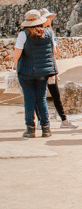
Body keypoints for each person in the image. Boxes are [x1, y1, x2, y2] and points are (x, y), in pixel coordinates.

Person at [12, 10, 57, 138]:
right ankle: (46, 129)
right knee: (41, 98)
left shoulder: (23, 34)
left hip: (26, 72)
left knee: (29, 98)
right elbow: (53, 51)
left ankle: (30, 129)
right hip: (43, 72)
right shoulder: (48, 33)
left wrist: (15, 62)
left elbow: (17, 54)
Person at [38, 8, 77, 129]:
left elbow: (56, 52)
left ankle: (59, 119)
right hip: (44, 67)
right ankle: (47, 120)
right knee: (46, 95)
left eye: (50, 18)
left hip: (48, 67)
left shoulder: (49, 32)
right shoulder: (43, 33)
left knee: (50, 94)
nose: (50, 19)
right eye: (48, 17)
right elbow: (55, 51)